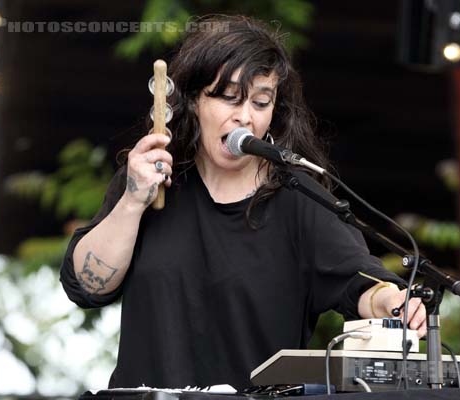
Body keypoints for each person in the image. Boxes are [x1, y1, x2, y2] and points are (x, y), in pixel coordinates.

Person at [60, 15, 426, 390]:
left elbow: (357, 281)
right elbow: (87, 287)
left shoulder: (299, 197)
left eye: (260, 102)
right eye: (228, 97)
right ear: (193, 100)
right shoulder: (148, 181)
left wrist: (390, 301)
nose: (245, 117)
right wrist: (133, 201)